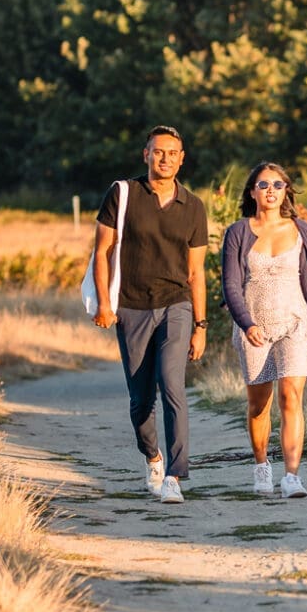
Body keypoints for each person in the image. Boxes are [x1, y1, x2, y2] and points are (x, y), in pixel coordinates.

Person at [91, 125, 209, 505]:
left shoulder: (193, 207)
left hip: (176, 304)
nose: (165, 158)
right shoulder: (123, 194)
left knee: (172, 384)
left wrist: (201, 326)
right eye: (158, 152)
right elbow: (102, 252)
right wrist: (106, 306)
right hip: (130, 307)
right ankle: (153, 457)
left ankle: (174, 476)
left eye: (172, 153)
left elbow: (196, 273)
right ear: (146, 155)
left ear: (182, 158)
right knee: (141, 399)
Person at [221, 162, 307, 498]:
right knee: (259, 405)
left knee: (291, 397)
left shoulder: (301, 230)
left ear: (287, 191)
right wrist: (246, 323)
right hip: (255, 326)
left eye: (278, 185)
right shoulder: (238, 231)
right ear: (252, 191)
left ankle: (292, 475)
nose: (271, 190)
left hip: (296, 323)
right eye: (263, 184)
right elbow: (231, 284)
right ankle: (262, 465)